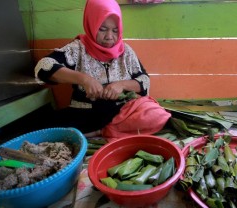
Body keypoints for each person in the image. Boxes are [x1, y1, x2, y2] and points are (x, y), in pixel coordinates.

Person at [34, 0, 151, 135]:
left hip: (122, 114)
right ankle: (106, 132)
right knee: (43, 129)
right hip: (84, 114)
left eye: (115, 30)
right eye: (102, 29)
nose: (109, 37)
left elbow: (144, 80)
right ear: (92, 25)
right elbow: (44, 67)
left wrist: (122, 85)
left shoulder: (126, 51)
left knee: (157, 115)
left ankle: (106, 131)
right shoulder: (77, 49)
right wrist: (84, 79)